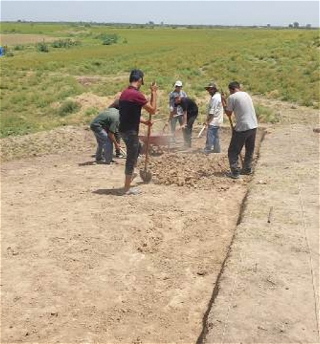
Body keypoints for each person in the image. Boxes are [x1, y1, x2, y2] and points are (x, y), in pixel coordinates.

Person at [119, 69, 158, 195]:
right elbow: (152, 110)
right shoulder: (136, 95)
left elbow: (130, 114)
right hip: (130, 131)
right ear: (140, 80)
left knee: (139, 147)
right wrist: (154, 93)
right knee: (131, 157)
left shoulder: (125, 93)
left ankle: (131, 175)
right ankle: (126, 188)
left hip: (123, 129)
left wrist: (145, 122)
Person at [222, 81, 258, 179]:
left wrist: (224, 104)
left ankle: (235, 172)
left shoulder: (232, 97)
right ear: (239, 87)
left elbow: (228, 113)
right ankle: (247, 169)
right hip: (253, 126)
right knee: (249, 149)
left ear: (231, 89)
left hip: (243, 127)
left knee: (233, 151)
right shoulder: (246, 94)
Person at [90, 99, 121, 165]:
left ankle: (98, 158)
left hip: (93, 124)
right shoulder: (117, 117)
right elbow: (111, 134)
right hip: (98, 126)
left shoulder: (112, 109)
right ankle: (108, 160)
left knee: (101, 143)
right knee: (108, 141)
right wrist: (116, 144)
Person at [203, 82, 223, 154]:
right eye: (208, 89)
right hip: (217, 119)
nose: (209, 91)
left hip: (214, 120)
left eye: (210, 89)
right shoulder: (217, 96)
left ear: (214, 89)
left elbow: (212, 111)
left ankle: (207, 149)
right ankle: (217, 149)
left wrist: (207, 121)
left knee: (210, 134)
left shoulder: (215, 98)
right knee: (215, 135)